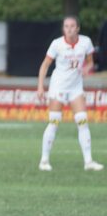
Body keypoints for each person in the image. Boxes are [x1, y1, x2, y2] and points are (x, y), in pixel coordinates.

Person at [37, 15, 102, 172]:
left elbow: (90, 61)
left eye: (72, 26)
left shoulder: (86, 42)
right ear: (63, 29)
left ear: (78, 28)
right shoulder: (57, 44)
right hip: (58, 87)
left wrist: (87, 68)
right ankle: (44, 160)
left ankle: (88, 162)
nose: (69, 29)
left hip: (75, 88)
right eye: (66, 26)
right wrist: (40, 86)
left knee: (82, 121)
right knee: (54, 122)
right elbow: (45, 65)